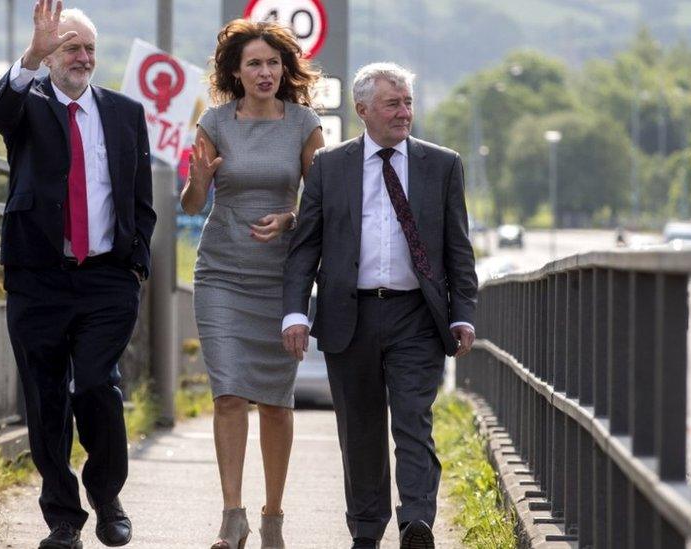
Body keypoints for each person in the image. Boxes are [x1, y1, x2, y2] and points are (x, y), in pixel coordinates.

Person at [282, 63, 478, 549]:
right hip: (351, 315)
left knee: (414, 418)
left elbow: (458, 246)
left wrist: (462, 311)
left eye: (408, 102)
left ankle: (416, 522)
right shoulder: (330, 166)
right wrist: (294, 313)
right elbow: (306, 246)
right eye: (393, 104)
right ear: (363, 109)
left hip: (417, 315)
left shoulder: (442, 164)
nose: (404, 112)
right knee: (361, 431)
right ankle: (366, 533)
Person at [0, 2, 155, 547]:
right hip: (39, 275)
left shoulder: (126, 113)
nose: (82, 57)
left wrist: (137, 262)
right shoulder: (27, 108)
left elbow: (140, 200)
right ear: (52, 56)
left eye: (88, 48)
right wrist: (32, 51)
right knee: (46, 395)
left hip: (107, 276)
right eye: (69, 47)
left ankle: (106, 494)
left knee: (96, 383)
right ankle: (63, 517)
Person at [180, 19, 324, 549]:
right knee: (229, 395)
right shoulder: (214, 123)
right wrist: (197, 184)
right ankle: (232, 514)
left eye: (272, 63)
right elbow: (193, 206)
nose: (265, 72)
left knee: (277, 403)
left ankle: (273, 517)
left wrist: (289, 219)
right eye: (253, 64)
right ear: (235, 73)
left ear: (285, 69)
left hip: (280, 279)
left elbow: (320, 201)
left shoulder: (304, 122)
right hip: (220, 272)